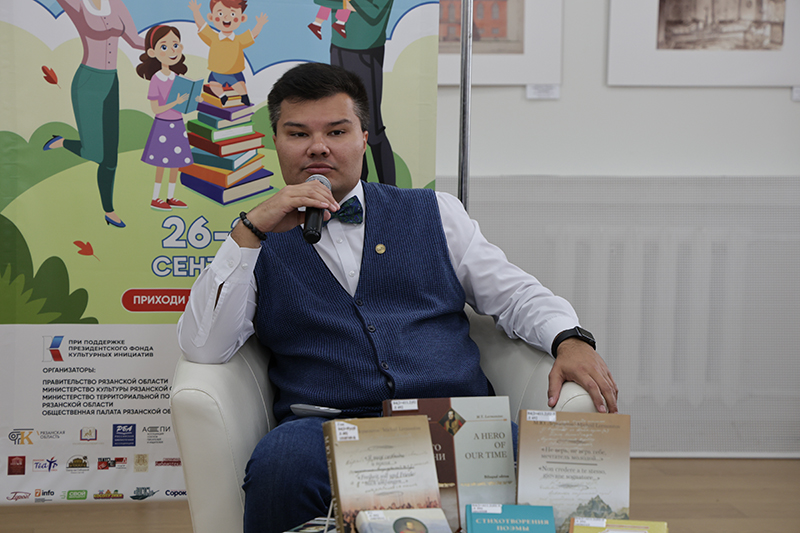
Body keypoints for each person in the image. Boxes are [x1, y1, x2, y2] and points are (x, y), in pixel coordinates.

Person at [177, 63, 618, 533]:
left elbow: (515, 294)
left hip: (453, 423)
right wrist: (249, 232)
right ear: (277, 143)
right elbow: (205, 346)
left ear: (364, 138)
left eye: (337, 131)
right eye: (298, 133)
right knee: (281, 461)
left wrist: (570, 338)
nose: (318, 146)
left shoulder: (436, 213)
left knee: (566, 463)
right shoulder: (255, 239)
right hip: (328, 430)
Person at [44, 0, 144, 228]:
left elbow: (135, 40)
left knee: (110, 157)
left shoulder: (116, 4)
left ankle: (109, 210)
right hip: (88, 83)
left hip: (111, 82)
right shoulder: (79, 4)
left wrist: (162, 44)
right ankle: (63, 142)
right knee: (93, 152)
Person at [314, 0, 397, 185]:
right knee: (347, 122)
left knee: (372, 127)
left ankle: (391, 190)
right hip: (339, 46)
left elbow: (374, 13)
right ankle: (358, 185)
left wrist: (344, 3)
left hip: (365, 49)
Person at [136, 25, 198, 211]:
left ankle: (170, 196)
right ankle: (156, 197)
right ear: (152, 52)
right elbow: (156, 109)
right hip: (163, 125)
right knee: (161, 164)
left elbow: (183, 106)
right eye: (164, 46)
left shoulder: (176, 77)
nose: (172, 50)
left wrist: (194, 99)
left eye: (175, 45)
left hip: (178, 124)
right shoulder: (156, 79)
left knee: (175, 164)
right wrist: (175, 102)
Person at [188, 0, 268, 107]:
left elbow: (252, 35)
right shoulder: (213, 38)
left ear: (242, 18)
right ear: (211, 17)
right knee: (213, 85)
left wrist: (260, 24)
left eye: (233, 14)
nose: (226, 17)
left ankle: (244, 96)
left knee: (240, 85)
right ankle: (222, 96)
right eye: (220, 13)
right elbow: (201, 26)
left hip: (235, 72)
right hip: (217, 72)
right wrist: (196, 11)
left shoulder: (239, 40)